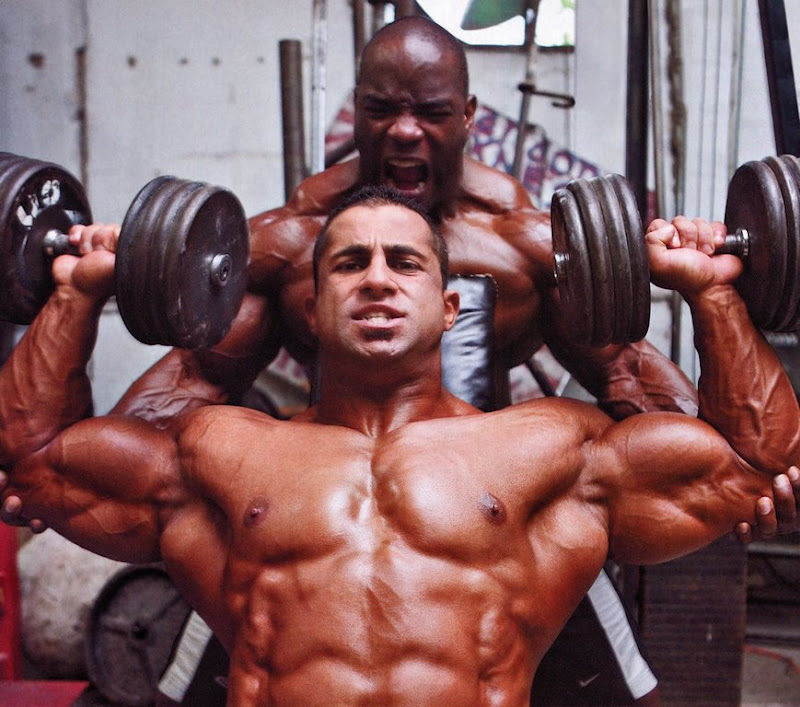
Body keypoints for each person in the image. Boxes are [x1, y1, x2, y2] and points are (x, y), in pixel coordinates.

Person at [2, 15, 794, 706]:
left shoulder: (530, 250)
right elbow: (184, 385)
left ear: (469, 118)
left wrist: (717, 333)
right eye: (382, 110)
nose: (405, 132)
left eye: (431, 112)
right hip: (294, 501)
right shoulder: (288, 242)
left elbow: (635, 376)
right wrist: (78, 350)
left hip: (508, 506)